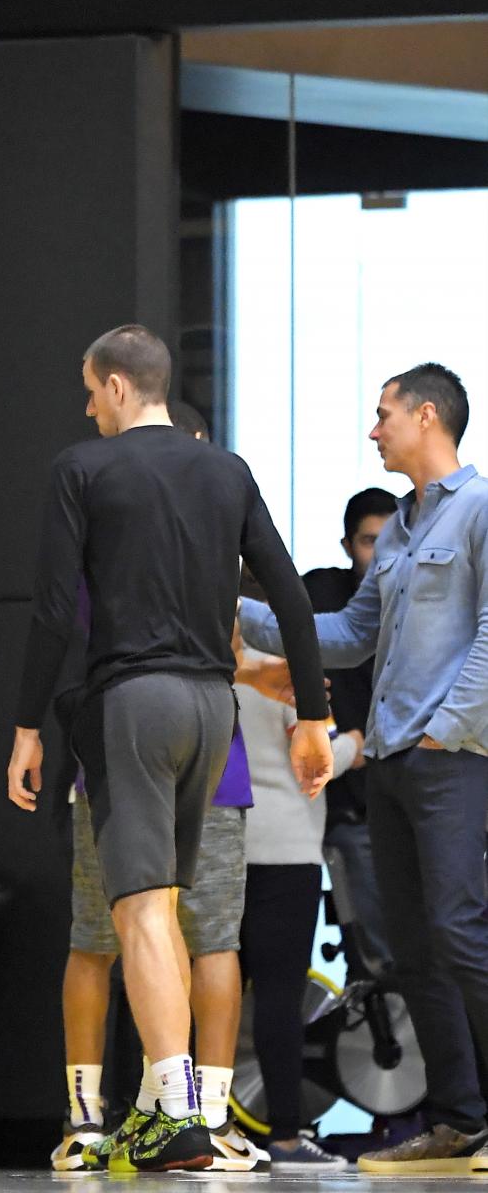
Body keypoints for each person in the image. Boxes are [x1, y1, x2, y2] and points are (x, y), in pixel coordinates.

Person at [8, 324, 330, 1173]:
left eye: (88, 390)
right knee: (179, 914)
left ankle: (175, 1111)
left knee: (138, 911)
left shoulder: (82, 467)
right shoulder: (226, 471)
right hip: (210, 707)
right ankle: (170, 1108)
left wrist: (24, 724)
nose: (85, 407)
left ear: (117, 387)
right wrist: (313, 717)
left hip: (132, 704)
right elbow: (292, 598)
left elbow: (50, 611)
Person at [239, 364, 488, 1175]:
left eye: (382, 415)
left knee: (456, 932)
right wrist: (227, 606)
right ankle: (459, 1122)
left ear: (425, 416)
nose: (372, 429)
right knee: (410, 951)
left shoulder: (479, 509)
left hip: (446, 762)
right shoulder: (404, 528)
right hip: (387, 765)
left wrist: (444, 731)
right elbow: (346, 636)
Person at [53, 400, 278, 1175]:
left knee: (207, 937)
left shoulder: (212, 543)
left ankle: (195, 1113)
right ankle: (96, 1115)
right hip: (128, 752)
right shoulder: (109, 536)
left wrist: (286, 682)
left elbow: (248, 641)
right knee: (103, 935)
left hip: (202, 760)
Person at [236, 606, 362, 1171]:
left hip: (217, 845)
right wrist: (360, 742)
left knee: (206, 991)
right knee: (280, 996)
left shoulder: (203, 668)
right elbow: (319, 758)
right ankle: (285, 1138)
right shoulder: (290, 670)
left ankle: (205, 1129)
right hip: (287, 848)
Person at [303, 489, 398, 974]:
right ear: (347, 545)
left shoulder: (422, 605)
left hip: (411, 785)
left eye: (390, 540)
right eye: (368, 541)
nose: (380, 554)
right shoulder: (321, 593)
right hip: (344, 798)